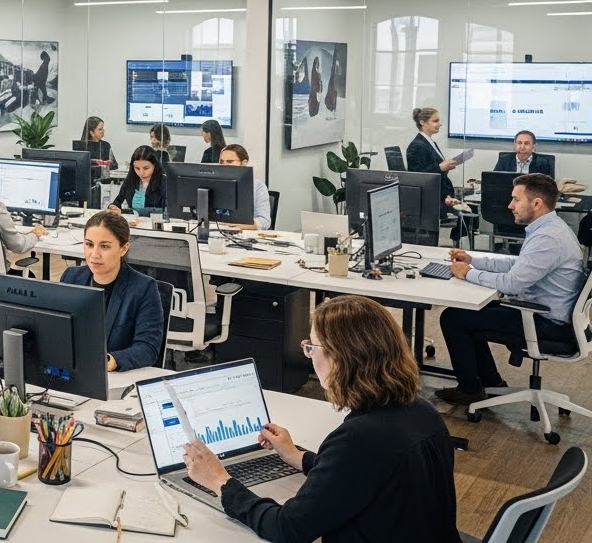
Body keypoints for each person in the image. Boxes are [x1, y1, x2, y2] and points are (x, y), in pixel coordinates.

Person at [182, 295, 461, 543]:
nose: (310, 357)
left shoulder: (360, 438)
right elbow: (358, 476)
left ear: (340, 358)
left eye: (311, 347)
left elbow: (287, 529)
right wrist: (296, 456)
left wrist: (220, 480)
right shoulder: (421, 410)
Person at [437, 173, 585, 405]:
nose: (510, 205)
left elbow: (511, 284)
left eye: (516, 199)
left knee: (454, 318)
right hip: (547, 314)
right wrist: (473, 260)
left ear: (536, 203)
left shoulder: (548, 238)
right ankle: (489, 382)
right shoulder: (550, 227)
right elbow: (517, 264)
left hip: (546, 323)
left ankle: (470, 390)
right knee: (470, 313)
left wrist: (468, 273)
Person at [59, 212, 166, 371]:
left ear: (124, 248)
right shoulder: (71, 277)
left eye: (105, 246)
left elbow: (148, 348)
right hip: (73, 370)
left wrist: (113, 360)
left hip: (114, 377)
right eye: (89, 244)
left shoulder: (143, 288)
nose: (94, 254)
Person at [405, 107, 466, 244]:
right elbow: (417, 178)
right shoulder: (416, 146)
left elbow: (435, 171)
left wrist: (445, 167)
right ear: (422, 122)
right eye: (435, 121)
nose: (440, 124)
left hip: (440, 196)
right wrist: (441, 167)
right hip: (429, 202)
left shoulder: (430, 142)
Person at [219, 144, 272, 230]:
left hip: (244, 235)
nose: (224, 165)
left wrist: (234, 226)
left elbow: (264, 221)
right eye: (221, 162)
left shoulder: (258, 187)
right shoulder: (216, 185)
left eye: (229, 161)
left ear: (243, 163)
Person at [108, 145, 167, 217]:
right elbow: (118, 201)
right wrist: (113, 207)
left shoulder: (163, 182)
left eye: (146, 168)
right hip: (133, 222)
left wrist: (128, 211)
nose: (141, 173)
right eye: (137, 168)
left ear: (155, 165)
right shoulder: (131, 179)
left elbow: (163, 211)